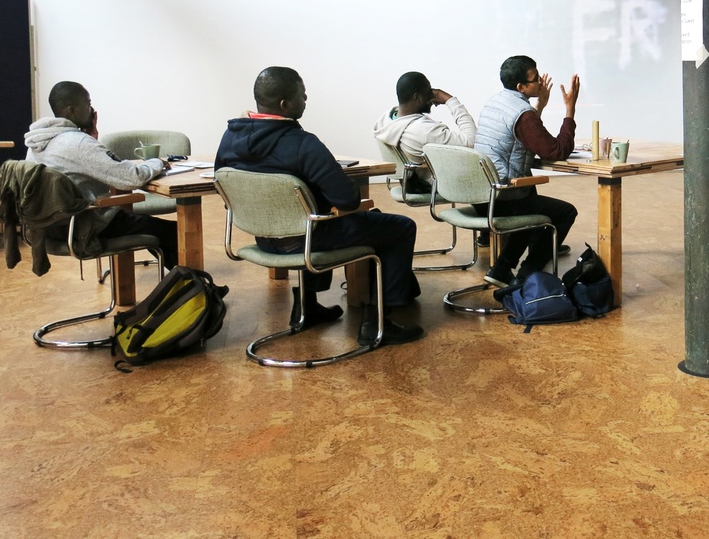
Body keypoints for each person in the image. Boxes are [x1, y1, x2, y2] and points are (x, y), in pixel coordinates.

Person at [216, 66, 423, 345]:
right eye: (302, 95)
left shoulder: (229, 138)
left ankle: (307, 307)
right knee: (400, 227)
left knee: (312, 214)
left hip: (263, 238)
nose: (306, 99)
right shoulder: (303, 144)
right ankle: (378, 323)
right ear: (284, 104)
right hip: (309, 240)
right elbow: (348, 199)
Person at [24, 81, 180, 270]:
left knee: (150, 227)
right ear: (71, 110)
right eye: (88, 104)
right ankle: (198, 293)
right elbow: (131, 177)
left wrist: (92, 140)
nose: (92, 110)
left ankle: (182, 285)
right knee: (174, 233)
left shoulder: (36, 144)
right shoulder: (77, 143)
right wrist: (157, 162)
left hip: (52, 228)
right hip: (87, 226)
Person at [473, 55, 579, 288]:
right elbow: (556, 151)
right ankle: (527, 275)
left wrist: (539, 106)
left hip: (482, 194)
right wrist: (569, 109)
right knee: (564, 212)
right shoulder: (523, 114)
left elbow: (522, 136)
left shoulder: (497, 102)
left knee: (530, 196)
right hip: (502, 197)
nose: (541, 82)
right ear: (521, 87)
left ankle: (501, 269)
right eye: (536, 79)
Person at [373, 71, 476, 191]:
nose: (433, 95)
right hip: (441, 183)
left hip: (413, 181)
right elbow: (472, 141)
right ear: (417, 98)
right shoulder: (424, 130)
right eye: (429, 92)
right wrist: (450, 100)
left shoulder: (387, 120)